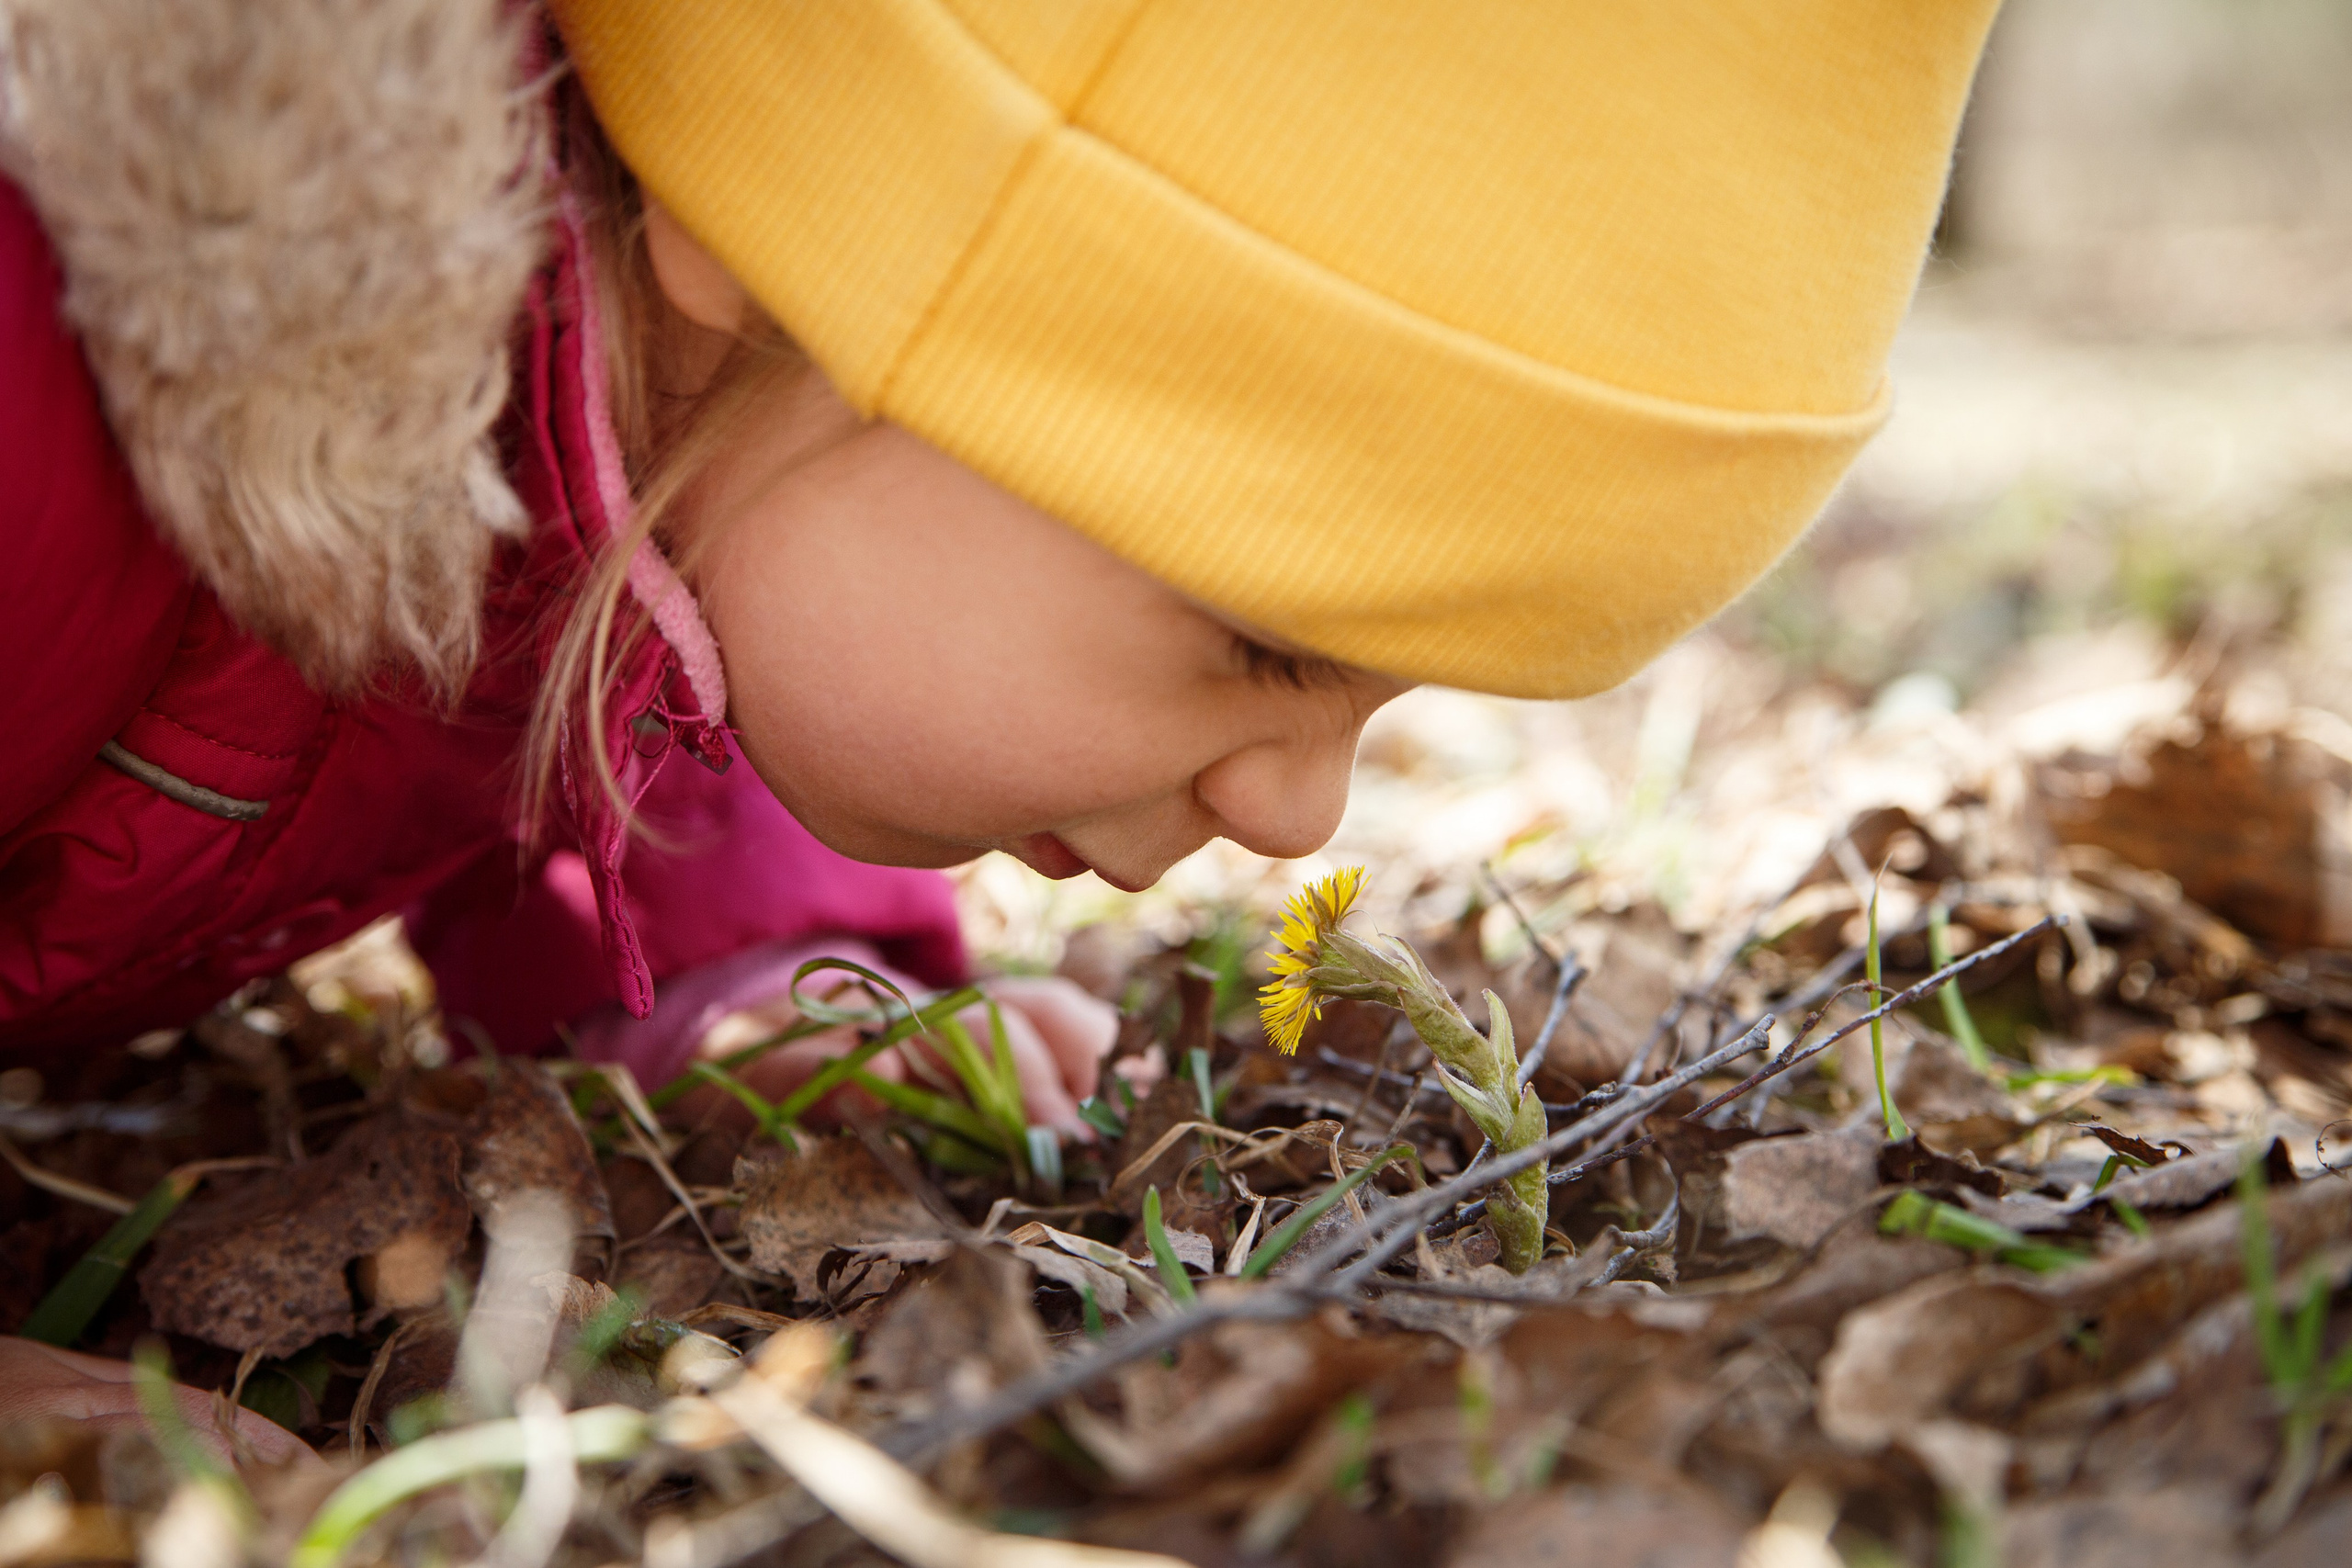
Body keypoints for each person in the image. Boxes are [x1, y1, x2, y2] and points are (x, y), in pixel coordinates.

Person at [0, 0, 1999, 1455]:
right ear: (781, 252)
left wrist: (745, 972)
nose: (1295, 810)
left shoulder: (693, 450)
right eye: (1251, 633)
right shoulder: (56, 378)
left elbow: (635, 630)